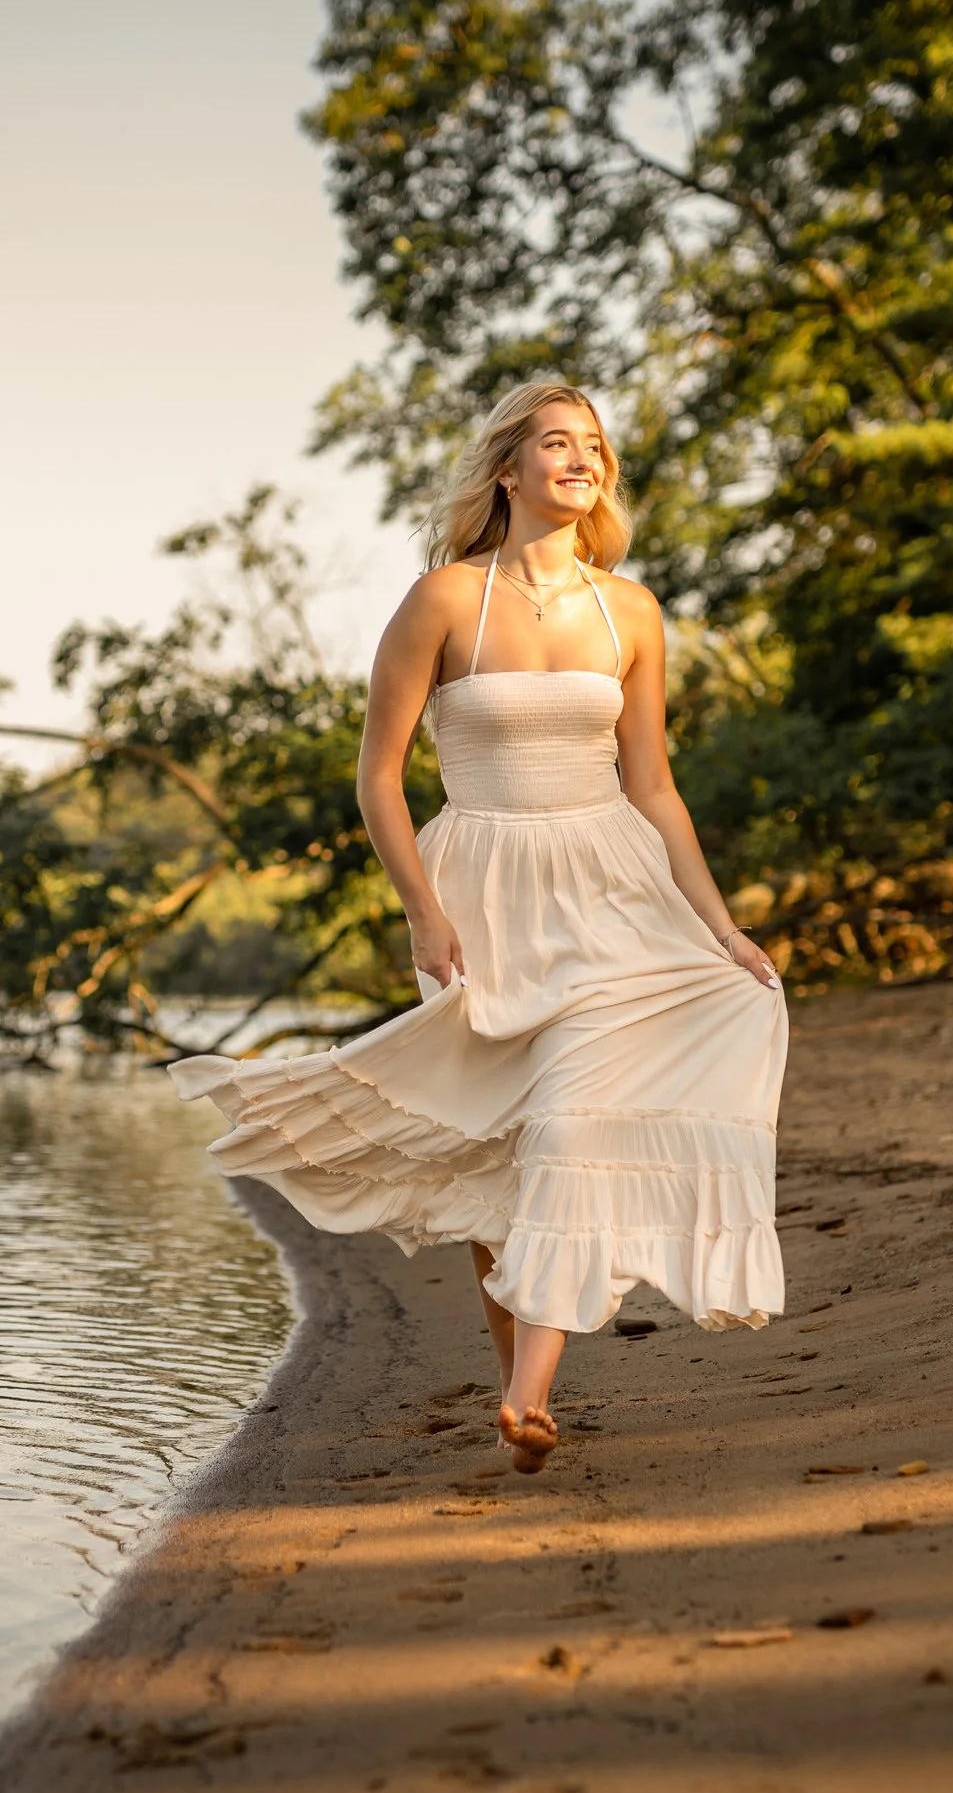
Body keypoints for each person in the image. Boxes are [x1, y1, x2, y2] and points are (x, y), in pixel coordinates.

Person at [170, 381, 788, 1474]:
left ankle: (529, 1392)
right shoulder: (443, 599)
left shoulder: (631, 611)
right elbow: (376, 776)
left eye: (592, 445)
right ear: (507, 469)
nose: (580, 459)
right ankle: (523, 1389)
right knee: (495, 1150)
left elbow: (653, 783)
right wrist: (422, 906)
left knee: (570, 1123)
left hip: (613, 888)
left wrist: (722, 928)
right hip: (483, 886)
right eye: (557, 442)